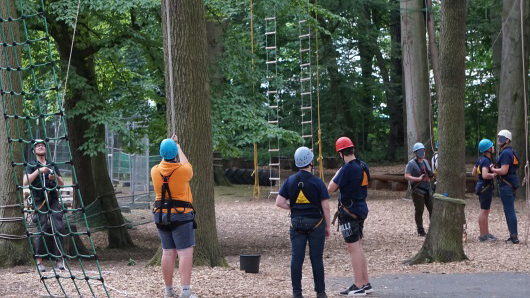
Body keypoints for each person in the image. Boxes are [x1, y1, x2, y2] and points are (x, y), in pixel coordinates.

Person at [275, 146, 331, 298]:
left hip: (296, 225)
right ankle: (320, 292)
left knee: (297, 258)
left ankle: (297, 293)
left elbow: (279, 202)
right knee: (316, 259)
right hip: (316, 225)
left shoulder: (290, 181)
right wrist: (327, 226)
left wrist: (293, 208)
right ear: (310, 162)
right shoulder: (317, 182)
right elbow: (326, 207)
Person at [151, 135, 198, 298]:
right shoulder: (183, 171)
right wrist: (178, 147)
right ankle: (185, 291)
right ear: (174, 154)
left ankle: (168, 290)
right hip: (181, 216)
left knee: (168, 252)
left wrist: (171, 146)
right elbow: (187, 164)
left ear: (161, 153)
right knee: (184, 252)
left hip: (161, 216)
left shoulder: (155, 170)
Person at [328, 137, 373, 297]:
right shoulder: (363, 165)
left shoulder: (346, 169)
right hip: (361, 208)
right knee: (358, 246)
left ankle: (358, 285)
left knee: (353, 248)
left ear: (341, 153)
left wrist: (338, 173)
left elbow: (330, 188)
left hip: (349, 211)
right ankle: (365, 283)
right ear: (352, 149)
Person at [23, 139, 65, 273]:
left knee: (58, 226)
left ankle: (59, 259)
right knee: (41, 228)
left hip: (52, 198)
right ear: (33, 150)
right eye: (38, 146)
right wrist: (39, 171)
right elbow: (25, 181)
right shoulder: (31, 165)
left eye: (42, 145)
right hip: (39, 199)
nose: (41, 147)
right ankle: (39, 260)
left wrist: (54, 179)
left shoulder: (52, 164)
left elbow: (62, 183)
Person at [490, 130, 519, 244]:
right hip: (510, 183)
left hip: (507, 184)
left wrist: (493, 169)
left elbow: (504, 170)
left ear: (507, 140)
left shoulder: (506, 153)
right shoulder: (510, 152)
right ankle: (513, 235)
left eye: (501, 138)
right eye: (498, 137)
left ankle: (514, 236)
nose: (498, 140)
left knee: (509, 210)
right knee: (509, 210)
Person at [404, 142, 434, 237]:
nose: (422, 153)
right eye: (420, 151)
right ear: (415, 153)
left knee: (432, 209)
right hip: (418, 191)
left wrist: (431, 177)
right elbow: (406, 176)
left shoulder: (426, 162)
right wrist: (418, 179)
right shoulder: (411, 164)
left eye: (423, 151)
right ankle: (420, 230)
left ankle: (433, 229)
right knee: (419, 210)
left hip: (428, 189)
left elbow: (430, 175)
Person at [472, 139, 497, 242]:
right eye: (492, 146)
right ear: (489, 149)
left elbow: (474, 173)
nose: (493, 147)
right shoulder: (486, 161)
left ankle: (486, 233)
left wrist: (479, 181)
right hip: (485, 188)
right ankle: (483, 235)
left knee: (486, 210)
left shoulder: (480, 159)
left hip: (481, 186)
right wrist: (494, 175)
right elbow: (485, 175)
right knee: (484, 211)